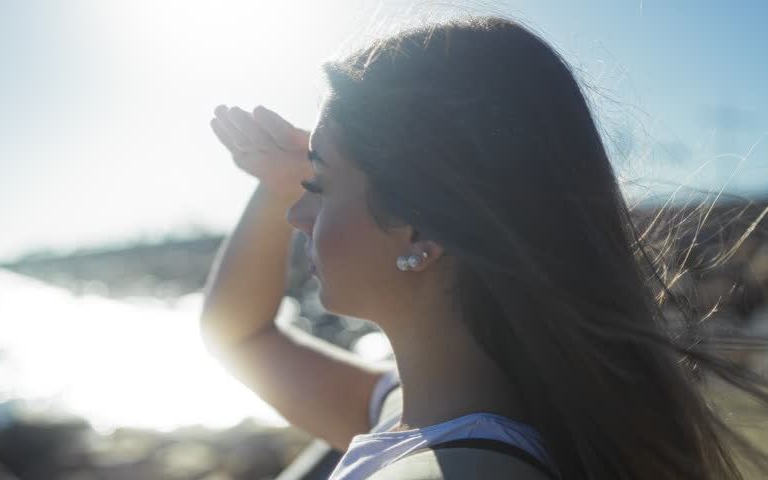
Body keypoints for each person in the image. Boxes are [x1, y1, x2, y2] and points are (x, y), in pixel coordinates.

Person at [200, 15, 768, 480]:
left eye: (318, 186)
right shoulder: (431, 415)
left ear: (421, 230)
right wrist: (282, 181)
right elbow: (238, 335)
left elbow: (238, 338)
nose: (297, 215)